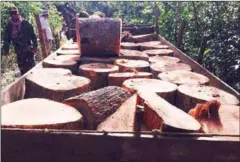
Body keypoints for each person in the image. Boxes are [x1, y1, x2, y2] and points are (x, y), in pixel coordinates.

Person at [2, 7, 38, 76]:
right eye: (11, 13)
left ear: (18, 13)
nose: (13, 15)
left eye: (15, 13)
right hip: (19, 51)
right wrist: (6, 51)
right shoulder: (9, 26)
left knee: (32, 68)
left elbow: (33, 36)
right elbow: (7, 39)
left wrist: (35, 46)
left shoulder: (26, 23)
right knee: (23, 70)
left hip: (29, 50)